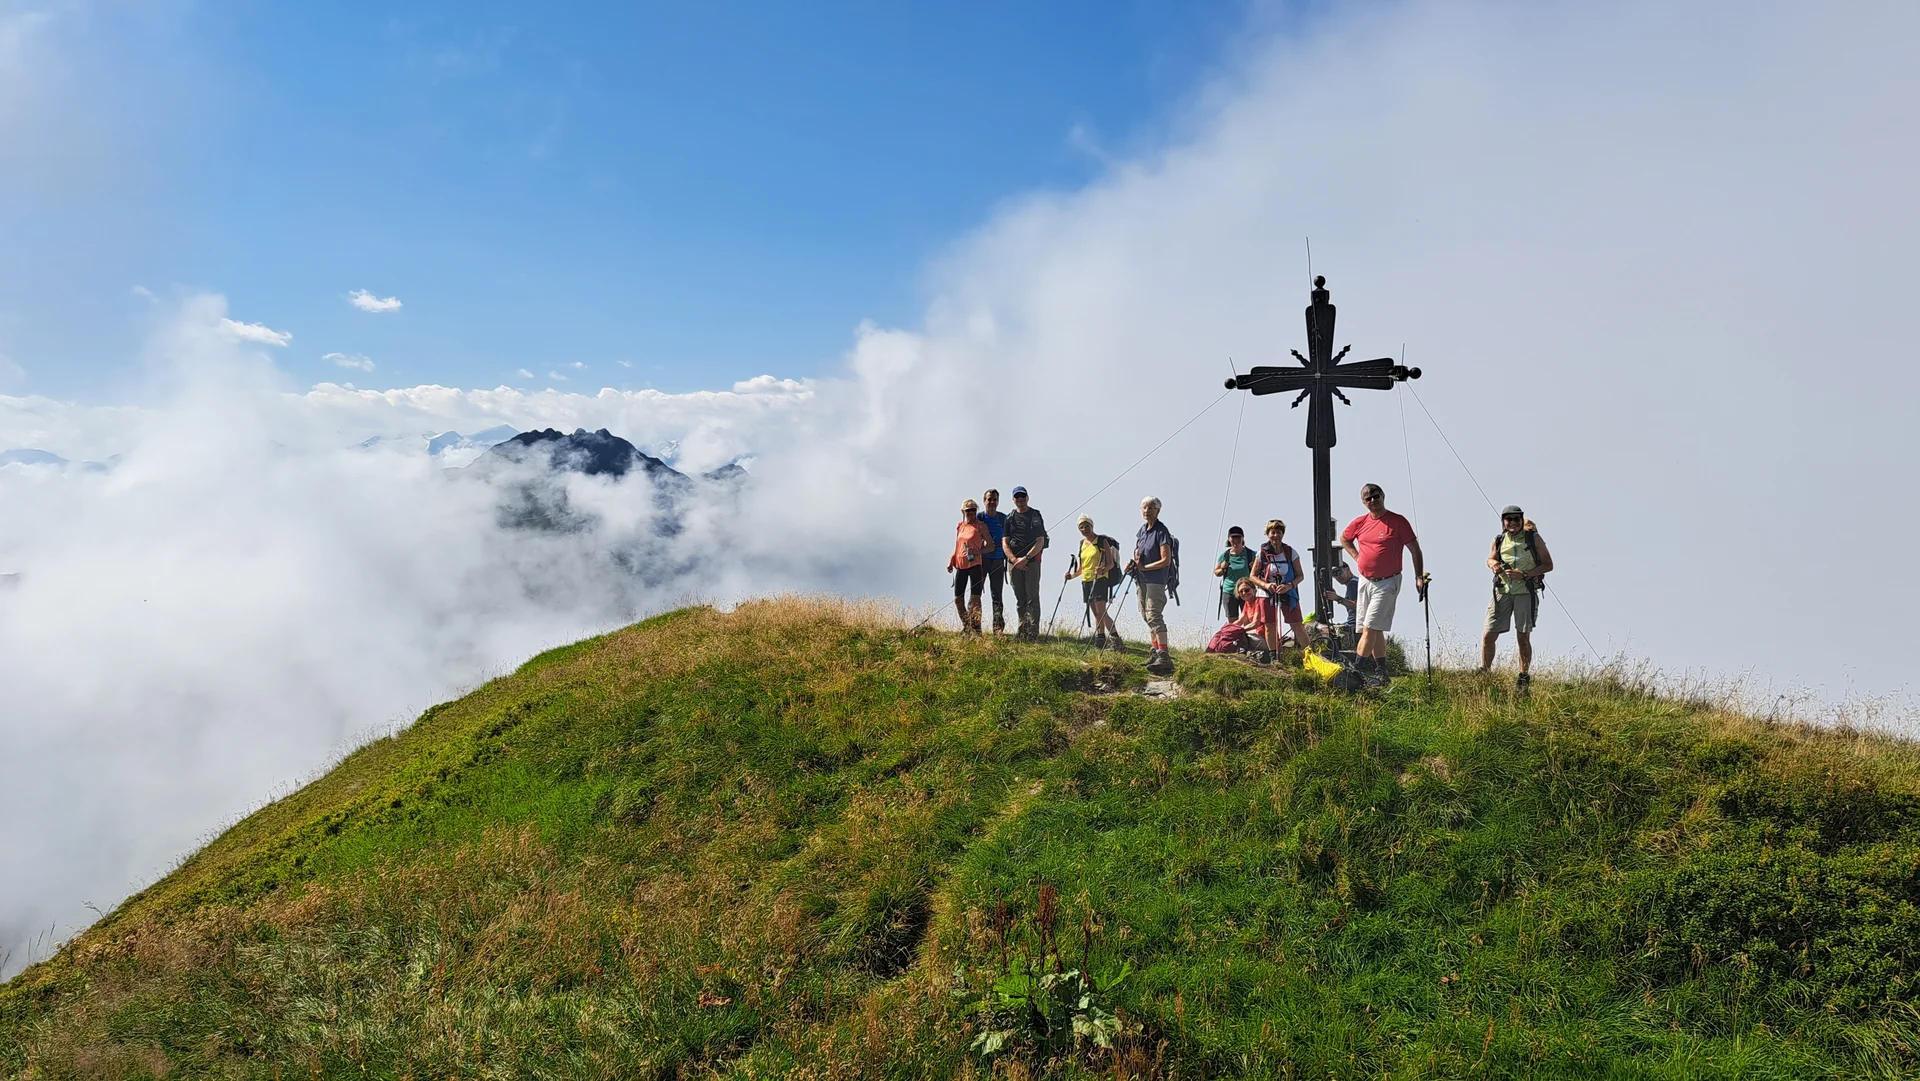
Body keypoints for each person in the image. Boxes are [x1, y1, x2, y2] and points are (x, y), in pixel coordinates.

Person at [1340, 483, 1425, 685]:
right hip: (1365, 580)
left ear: (1383, 496)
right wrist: (1357, 557)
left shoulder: (1397, 521)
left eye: (1375, 496)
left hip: (1388, 581)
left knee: (1370, 627)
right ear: (1363, 502)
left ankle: (1356, 670)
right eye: (1368, 498)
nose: (1373, 500)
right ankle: (1382, 672)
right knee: (1372, 629)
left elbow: (1415, 550)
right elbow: (1345, 538)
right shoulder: (1360, 522)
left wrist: (1418, 576)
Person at [1481, 504, 1553, 694]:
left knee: (1523, 636)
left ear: (1521, 520)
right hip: (1502, 592)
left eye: (1516, 519)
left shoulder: (1534, 539)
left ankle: (1523, 677)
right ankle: (1485, 671)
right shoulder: (1499, 540)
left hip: (1525, 593)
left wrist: (1526, 574)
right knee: (1489, 634)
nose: (1512, 522)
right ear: (1503, 522)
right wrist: (1494, 564)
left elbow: (1548, 565)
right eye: (1509, 519)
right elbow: (1489, 558)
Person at [1247, 519, 1309, 661]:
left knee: (1296, 623)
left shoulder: (1290, 552)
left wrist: (1289, 586)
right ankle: (1273, 656)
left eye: (1278, 532)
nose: (1276, 535)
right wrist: (1266, 585)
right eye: (1272, 532)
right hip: (1267, 592)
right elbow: (1252, 576)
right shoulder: (1261, 553)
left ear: (1283, 534)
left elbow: (1300, 575)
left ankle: (1309, 654)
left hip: (1288, 592)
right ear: (1268, 534)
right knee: (1269, 624)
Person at [1126, 496, 1176, 674]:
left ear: (1158, 511)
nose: (1146, 511)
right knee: (1145, 614)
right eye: (1144, 508)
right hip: (1141, 578)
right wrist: (1133, 563)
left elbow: (1166, 560)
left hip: (1156, 578)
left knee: (1154, 613)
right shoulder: (1142, 531)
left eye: (1151, 508)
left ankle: (1164, 654)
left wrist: (1146, 567)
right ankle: (1155, 651)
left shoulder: (1161, 531)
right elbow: (1138, 552)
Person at [1065, 514, 1123, 649]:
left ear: (1092, 526)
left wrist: (1102, 570)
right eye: (1081, 527)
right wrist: (1072, 576)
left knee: (1102, 612)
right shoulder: (1082, 544)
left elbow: (1110, 564)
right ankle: (1100, 639)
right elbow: (1082, 568)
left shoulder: (1102, 541)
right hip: (1086, 581)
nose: (1084, 529)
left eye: (1087, 526)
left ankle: (1116, 640)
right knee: (1096, 613)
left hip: (1099, 580)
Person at [1004, 486, 1049, 640]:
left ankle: (1032, 633)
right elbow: (1005, 542)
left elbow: (1040, 541)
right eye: (1017, 497)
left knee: (1032, 598)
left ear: (1027, 497)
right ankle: (1022, 631)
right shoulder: (1009, 518)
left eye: (1023, 496)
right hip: (1014, 563)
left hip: (1031, 562)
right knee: (1020, 598)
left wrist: (1026, 559)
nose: (1020, 499)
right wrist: (1014, 560)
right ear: (1013, 499)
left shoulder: (1035, 515)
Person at [947, 498, 989, 634]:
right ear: (963, 511)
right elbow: (957, 544)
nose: (971, 513)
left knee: (975, 599)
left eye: (973, 510)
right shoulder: (960, 526)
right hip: (960, 565)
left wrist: (978, 551)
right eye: (968, 510)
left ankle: (976, 630)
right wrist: (951, 559)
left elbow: (991, 545)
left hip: (975, 565)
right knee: (958, 599)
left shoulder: (980, 526)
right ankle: (967, 626)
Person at [978, 488, 1010, 634]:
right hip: (981, 561)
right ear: (984, 501)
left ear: (998, 502)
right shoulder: (979, 518)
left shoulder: (1004, 519)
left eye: (994, 499)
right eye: (989, 499)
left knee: (997, 594)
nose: (992, 502)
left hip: (998, 561)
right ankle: (973, 626)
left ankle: (997, 629)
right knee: (975, 593)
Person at [1206, 579, 1261, 653]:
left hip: (1263, 638)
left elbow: (1255, 624)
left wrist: (1237, 631)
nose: (1244, 593)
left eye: (1247, 590)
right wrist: (1226, 629)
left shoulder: (1259, 602)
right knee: (1220, 634)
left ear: (1254, 590)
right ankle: (1211, 653)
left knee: (1238, 636)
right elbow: (1240, 621)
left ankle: (1240, 654)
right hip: (1254, 636)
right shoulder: (1247, 604)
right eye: (1241, 591)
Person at [1214, 526, 1254, 620]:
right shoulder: (1225, 555)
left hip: (1246, 590)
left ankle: (1247, 635)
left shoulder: (1250, 554)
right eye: (1233, 538)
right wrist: (1223, 568)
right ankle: (1235, 635)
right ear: (1229, 539)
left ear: (1242, 538)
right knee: (1232, 621)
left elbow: (1259, 570)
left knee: (1248, 618)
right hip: (1229, 591)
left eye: (1238, 537)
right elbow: (1216, 572)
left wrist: (1254, 567)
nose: (1236, 540)